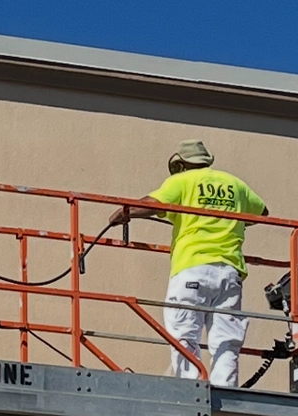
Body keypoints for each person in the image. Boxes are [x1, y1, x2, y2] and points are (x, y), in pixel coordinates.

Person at [108, 140, 268, 387]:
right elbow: (262, 213)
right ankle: (225, 387)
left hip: (193, 268)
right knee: (226, 337)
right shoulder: (236, 184)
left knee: (184, 332)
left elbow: (152, 204)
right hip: (229, 272)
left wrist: (123, 214)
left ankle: (190, 387)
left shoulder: (181, 181)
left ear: (181, 164)